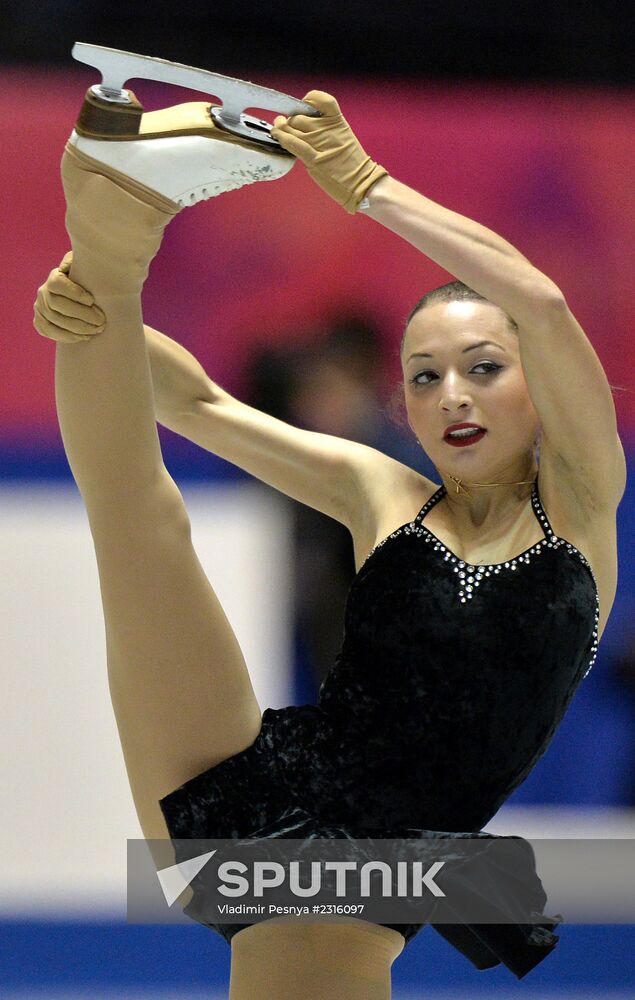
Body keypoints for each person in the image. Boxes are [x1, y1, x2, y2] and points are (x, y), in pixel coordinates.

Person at [33, 80, 626, 1000]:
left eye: (482, 368)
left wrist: (366, 185)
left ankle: (111, 236)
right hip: (251, 786)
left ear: (538, 383)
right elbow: (195, 404)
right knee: (140, 520)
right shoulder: (381, 490)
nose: (452, 395)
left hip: (365, 868)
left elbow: (542, 302)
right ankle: (112, 227)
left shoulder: (582, 506)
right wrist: (94, 318)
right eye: (424, 377)